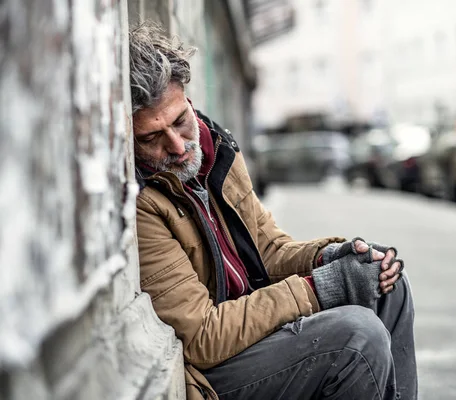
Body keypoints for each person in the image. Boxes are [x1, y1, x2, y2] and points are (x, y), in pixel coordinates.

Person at [130, 22, 417, 400]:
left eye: (181, 121)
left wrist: (330, 256)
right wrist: (321, 288)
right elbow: (202, 338)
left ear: (189, 100)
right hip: (213, 370)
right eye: (152, 137)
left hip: (252, 328)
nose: (179, 146)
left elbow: (268, 251)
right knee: (356, 336)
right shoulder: (142, 204)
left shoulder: (216, 152)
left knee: (386, 285)